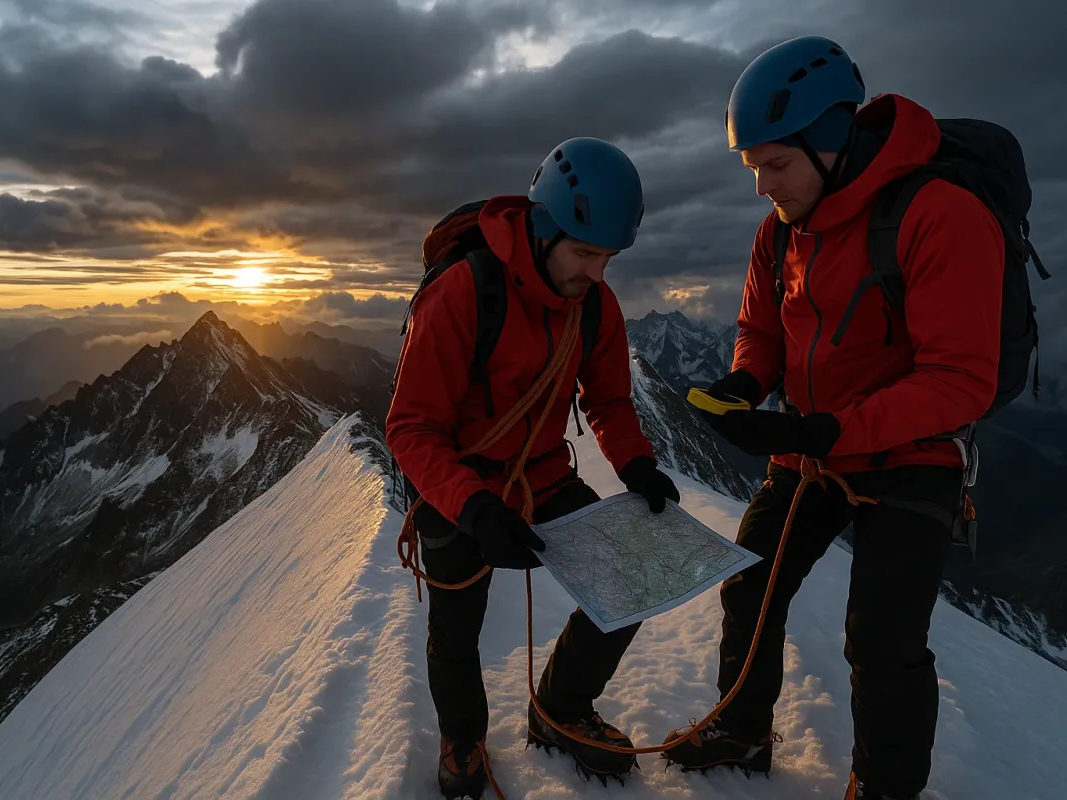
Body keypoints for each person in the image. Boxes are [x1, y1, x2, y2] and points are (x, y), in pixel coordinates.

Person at [661, 36, 1005, 800]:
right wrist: (748, 386)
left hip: (912, 453)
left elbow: (961, 380)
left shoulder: (938, 214)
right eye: (753, 169)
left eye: (775, 165)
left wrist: (827, 430)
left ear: (830, 143)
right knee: (750, 583)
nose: (762, 187)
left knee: (881, 639)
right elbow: (763, 330)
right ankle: (742, 731)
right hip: (814, 448)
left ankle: (884, 787)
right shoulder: (782, 228)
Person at [385, 136, 680, 799]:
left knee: (628, 576)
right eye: (585, 253)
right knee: (456, 629)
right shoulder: (463, 293)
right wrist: (475, 507)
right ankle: (464, 737)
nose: (598, 273)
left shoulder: (593, 305)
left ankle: (560, 708)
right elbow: (411, 426)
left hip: (540, 475)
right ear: (545, 229)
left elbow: (606, 398)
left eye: (608, 257)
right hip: (456, 483)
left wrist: (636, 464)